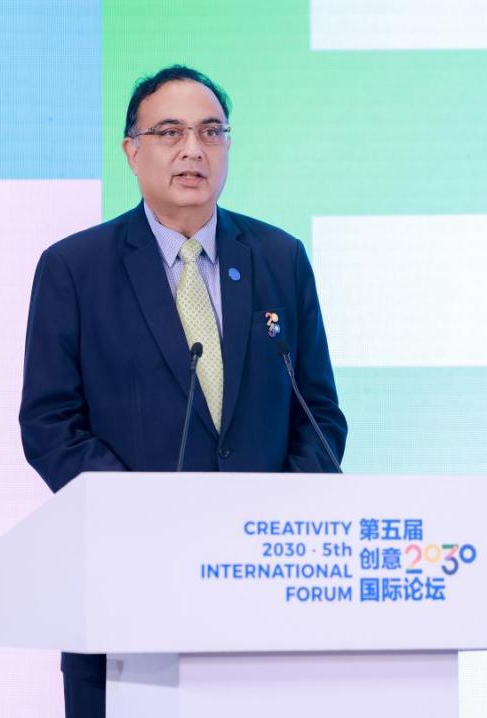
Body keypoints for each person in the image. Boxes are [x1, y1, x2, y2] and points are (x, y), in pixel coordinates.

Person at [18, 65, 348, 717]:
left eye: (211, 132)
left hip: (263, 590)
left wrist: (274, 522)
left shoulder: (279, 258)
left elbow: (319, 416)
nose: (193, 149)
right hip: (125, 587)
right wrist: (146, 515)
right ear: (131, 151)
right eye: (169, 132)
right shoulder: (74, 268)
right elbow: (50, 425)